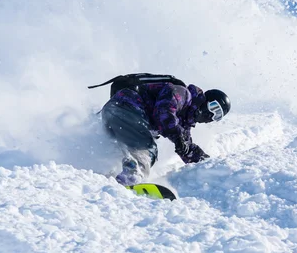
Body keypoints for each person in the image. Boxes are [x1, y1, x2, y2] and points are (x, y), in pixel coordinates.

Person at [88, 73, 231, 186]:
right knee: (146, 148)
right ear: (206, 100)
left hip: (117, 115)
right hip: (125, 108)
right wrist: (177, 136)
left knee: (120, 148)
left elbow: (187, 149)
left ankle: (107, 175)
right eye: (214, 108)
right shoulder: (183, 94)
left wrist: (209, 165)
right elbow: (163, 113)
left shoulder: (183, 121)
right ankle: (131, 177)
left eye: (217, 116)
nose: (211, 115)